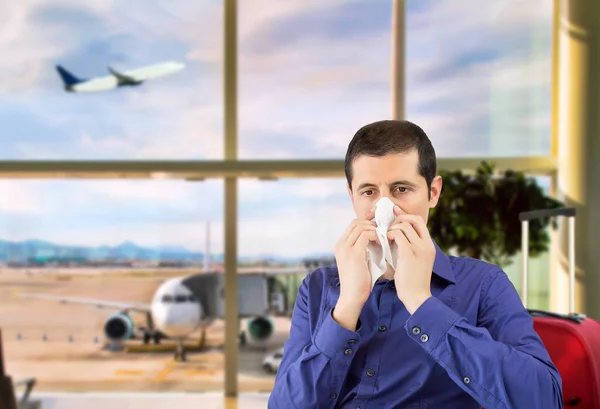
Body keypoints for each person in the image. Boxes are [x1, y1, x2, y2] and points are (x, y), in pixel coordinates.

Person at [267, 120, 563, 409]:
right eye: (369, 192)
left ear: (433, 192)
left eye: (401, 189)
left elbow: (544, 399)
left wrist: (421, 302)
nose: (384, 209)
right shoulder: (317, 288)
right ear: (352, 195)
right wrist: (346, 307)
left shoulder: (484, 284)